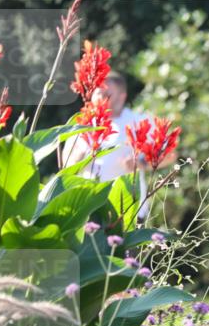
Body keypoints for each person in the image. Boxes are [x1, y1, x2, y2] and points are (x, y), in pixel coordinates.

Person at [63, 71, 176, 220]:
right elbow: (65, 168)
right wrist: (78, 159)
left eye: (106, 94)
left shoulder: (138, 121)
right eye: (97, 93)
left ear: (122, 96)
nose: (100, 98)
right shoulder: (82, 125)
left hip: (129, 209)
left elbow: (170, 155)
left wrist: (140, 163)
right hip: (90, 208)